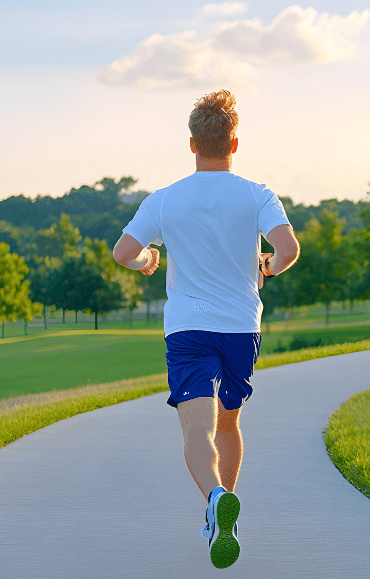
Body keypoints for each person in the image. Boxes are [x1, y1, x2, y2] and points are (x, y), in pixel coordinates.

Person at [112, 89, 300, 569]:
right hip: (241, 328)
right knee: (229, 423)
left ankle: (216, 499)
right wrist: (270, 266)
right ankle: (224, 515)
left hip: (188, 329)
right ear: (234, 143)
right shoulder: (258, 195)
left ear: (192, 144)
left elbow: (122, 252)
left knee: (198, 428)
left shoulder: (165, 199)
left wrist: (146, 260)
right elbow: (288, 249)